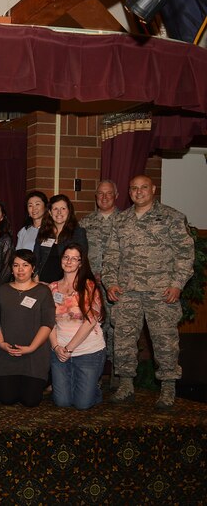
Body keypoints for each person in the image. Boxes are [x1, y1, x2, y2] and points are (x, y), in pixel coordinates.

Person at [103, 175, 194, 409]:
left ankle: (167, 388)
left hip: (161, 292)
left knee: (165, 341)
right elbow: (111, 256)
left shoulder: (172, 218)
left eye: (144, 188)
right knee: (123, 341)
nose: (139, 192)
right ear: (129, 192)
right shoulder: (121, 221)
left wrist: (177, 284)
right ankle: (125, 385)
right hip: (127, 292)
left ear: (153, 189)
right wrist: (111, 283)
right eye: (134, 188)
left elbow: (185, 255)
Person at [0, 250, 56, 407]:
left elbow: (47, 323)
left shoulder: (43, 291)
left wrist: (31, 348)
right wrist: (1, 343)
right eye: (16, 265)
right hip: (6, 355)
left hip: (34, 356)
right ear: (11, 268)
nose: (20, 269)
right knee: (6, 399)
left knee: (30, 401)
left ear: (33, 268)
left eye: (25, 265)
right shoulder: (2, 291)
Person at [49, 244, 106, 410]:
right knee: (63, 402)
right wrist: (56, 347)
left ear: (81, 263)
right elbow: (48, 321)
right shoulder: (51, 288)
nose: (69, 261)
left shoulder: (89, 286)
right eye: (66, 257)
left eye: (74, 258)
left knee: (82, 404)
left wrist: (69, 349)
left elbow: (90, 321)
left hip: (88, 351)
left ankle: (93, 389)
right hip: (59, 351)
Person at [79, 180, 119, 378]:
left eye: (108, 193)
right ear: (96, 197)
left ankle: (117, 375)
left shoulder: (125, 222)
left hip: (117, 287)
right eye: (100, 194)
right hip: (91, 286)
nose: (104, 197)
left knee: (118, 329)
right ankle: (94, 374)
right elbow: (79, 254)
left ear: (116, 196)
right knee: (94, 327)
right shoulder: (85, 223)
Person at [34, 194, 88, 283]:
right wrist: (36, 277)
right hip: (42, 283)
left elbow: (82, 260)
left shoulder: (78, 233)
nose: (59, 212)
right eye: (55, 209)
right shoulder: (43, 232)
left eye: (63, 208)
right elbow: (36, 257)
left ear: (69, 211)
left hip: (66, 283)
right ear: (50, 213)